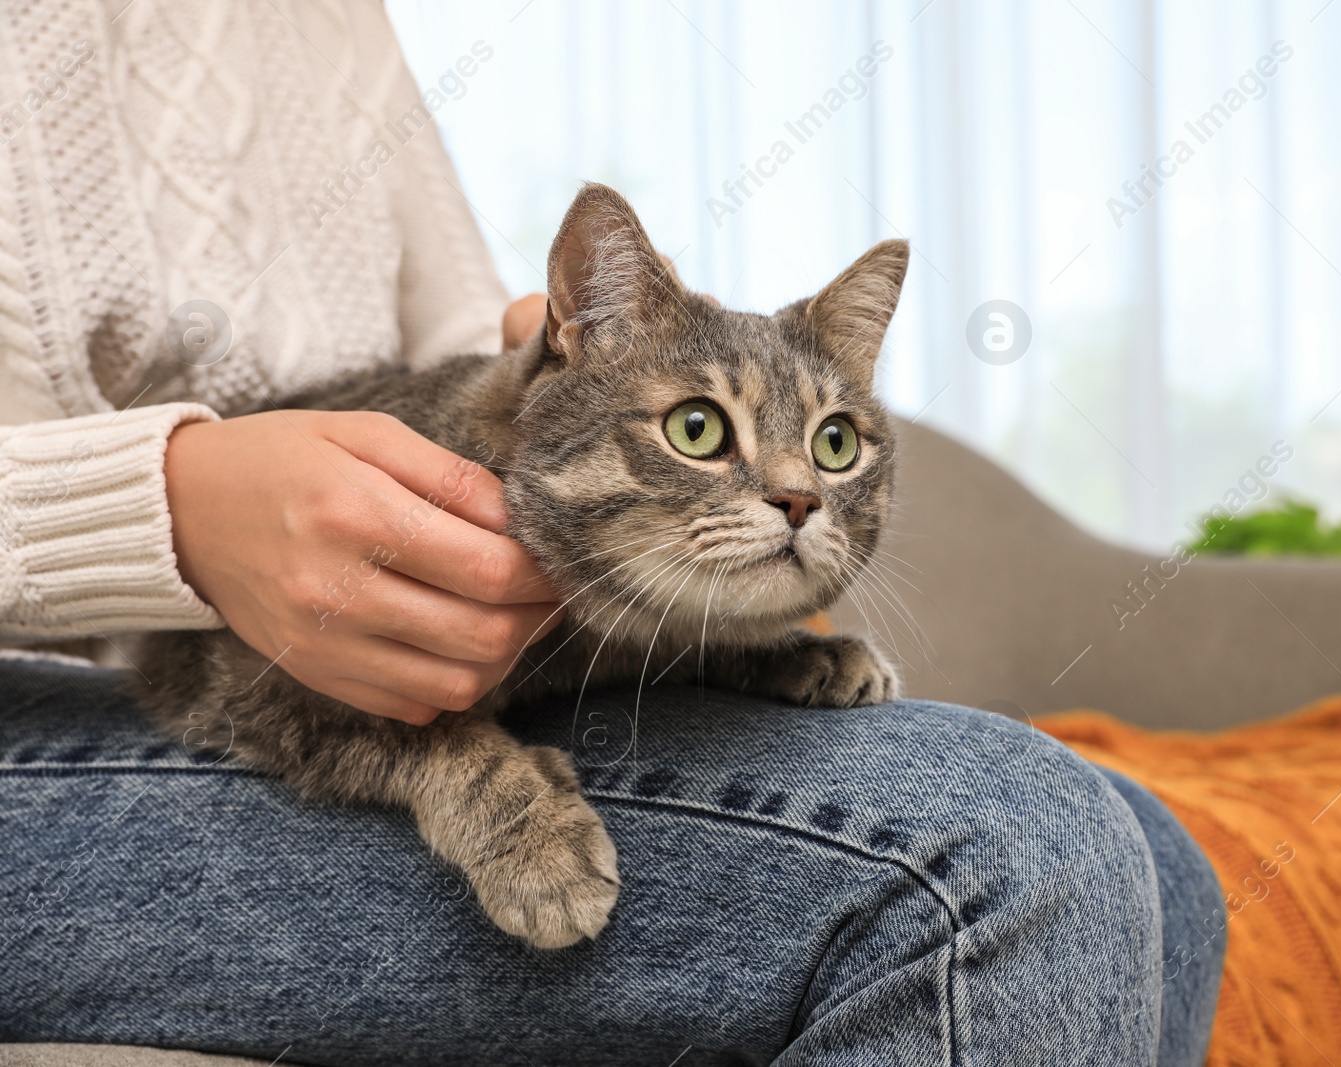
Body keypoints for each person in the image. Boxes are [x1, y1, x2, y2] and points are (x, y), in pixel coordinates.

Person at [0, 4, 1223, 1064]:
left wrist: (596, 381)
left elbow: (518, 351)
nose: (800, 491)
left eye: (832, 451)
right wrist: (164, 502)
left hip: (437, 477)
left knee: (1163, 860)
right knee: (1012, 852)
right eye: (712, 430)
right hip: (71, 693)